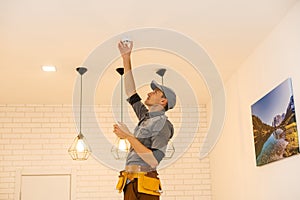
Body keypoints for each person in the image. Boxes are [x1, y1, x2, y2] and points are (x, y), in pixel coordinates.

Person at [113, 40, 176, 200]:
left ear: (163, 101)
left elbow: (153, 160)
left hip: (145, 185)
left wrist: (128, 136)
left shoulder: (163, 125)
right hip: (130, 182)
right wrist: (126, 58)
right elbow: (130, 92)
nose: (149, 93)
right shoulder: (145, 117)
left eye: (155, 92)